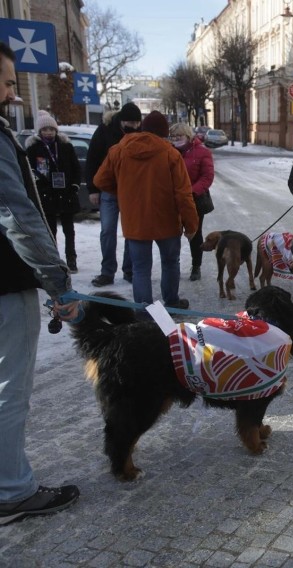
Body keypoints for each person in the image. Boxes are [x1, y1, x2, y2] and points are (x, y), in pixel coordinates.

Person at [0, 41, 82, 525]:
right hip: (5, 284)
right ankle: (11, 490)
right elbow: (16, 214)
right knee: (9, 387)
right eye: (8, 82)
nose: (13, 93)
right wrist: (57, 282)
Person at [94, 111, 199, 309]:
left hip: (135, 220)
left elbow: (100, 180)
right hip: (166, 220)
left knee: (140, 268)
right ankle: (171, 302)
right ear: (164, 133)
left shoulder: (119, 150)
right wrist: (191, 224)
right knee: (170, 263)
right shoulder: (170, 154)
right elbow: (183, 195)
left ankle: (144, 311)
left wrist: (124, 192)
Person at [88, 102, 142, 287]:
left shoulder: (140, 133)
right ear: (121, 120)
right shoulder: (105, 129)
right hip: (109, 190)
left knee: (131, 232)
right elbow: (92, 159)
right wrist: (92, 189)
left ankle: (129, 270)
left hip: (131, 191)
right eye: (130, 122)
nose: (134, 127)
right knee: (107, 231)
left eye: (137, 123)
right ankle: (107, 271)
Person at [25, 110, 82, 273]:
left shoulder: (65, 146)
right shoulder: (34, 148)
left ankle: (71, 259)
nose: (48, 132)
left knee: (69, 230)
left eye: (51, 129)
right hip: (47, 195)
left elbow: (76, 168)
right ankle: (54, 260)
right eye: (45, 130)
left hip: (66, 194)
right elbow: (30, 171)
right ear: (39, 131)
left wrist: (74, 186)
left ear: (56, 130)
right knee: (50, 231)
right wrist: (40, 187)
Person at [169, 122, 215, 281]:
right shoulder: (169, 151)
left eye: (179, 136)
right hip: (172, 200)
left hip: (194, 199)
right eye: (173, 137)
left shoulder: (202, 152)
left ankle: (196, 266)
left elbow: (207, 177)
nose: (176, 139)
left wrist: (191, 191)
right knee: (172, 233)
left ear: (188, 136)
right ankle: (173, 265)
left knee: (194, 234)